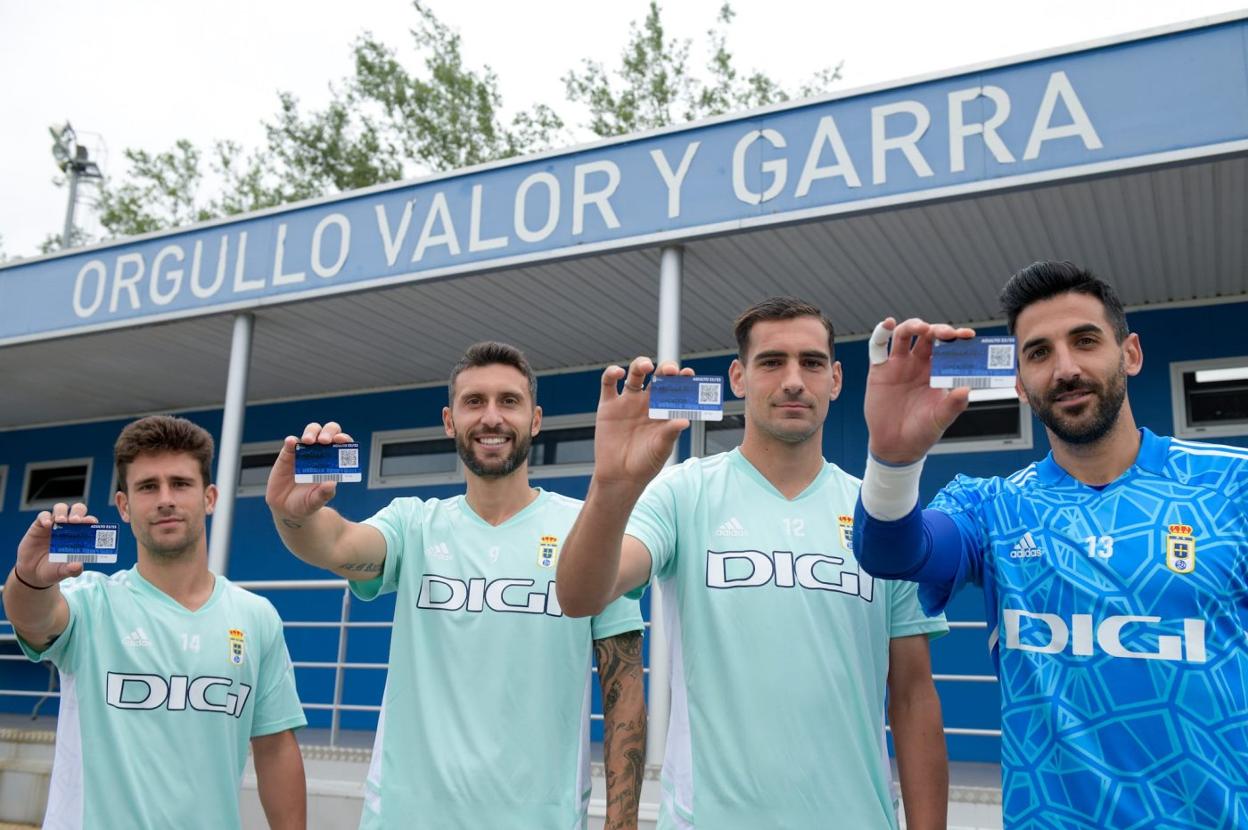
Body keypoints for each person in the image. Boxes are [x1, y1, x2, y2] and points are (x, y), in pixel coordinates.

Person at [854, 260, 1248, 828]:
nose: (1065, 369)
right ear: (1019, 383)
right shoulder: (992, 507)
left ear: (1130, 354)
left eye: (1085, 341)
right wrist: (892, 458)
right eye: (1039, 353)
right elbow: (890, 551)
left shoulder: (1231, 486)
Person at [555, 297, 950, 829]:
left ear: (836, 379)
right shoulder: (683, 493)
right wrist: (610, 485)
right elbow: (579, 595)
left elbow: (913, 695)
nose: (793, 381)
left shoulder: (882, 513)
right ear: (738, 378)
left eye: (811, 363)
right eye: (772, 362)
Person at [265, 341, 646, 830]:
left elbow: (624, 692)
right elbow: (337, 544)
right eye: (474, 402)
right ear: (450, 421)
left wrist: (621, 823)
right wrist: (292, 515)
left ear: (535, 420)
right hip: (406, 818)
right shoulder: (413, 524)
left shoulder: (589, 531)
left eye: (509, 401)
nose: (492, 417)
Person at [4, 415, 307, 830]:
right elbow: (34, 619)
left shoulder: (256, 617)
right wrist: (29, 579)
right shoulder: (90, 602)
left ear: (210, 498)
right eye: (148, 486)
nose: (166, 499)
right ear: (124, 506)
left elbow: (275, 748)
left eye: (180, 483)